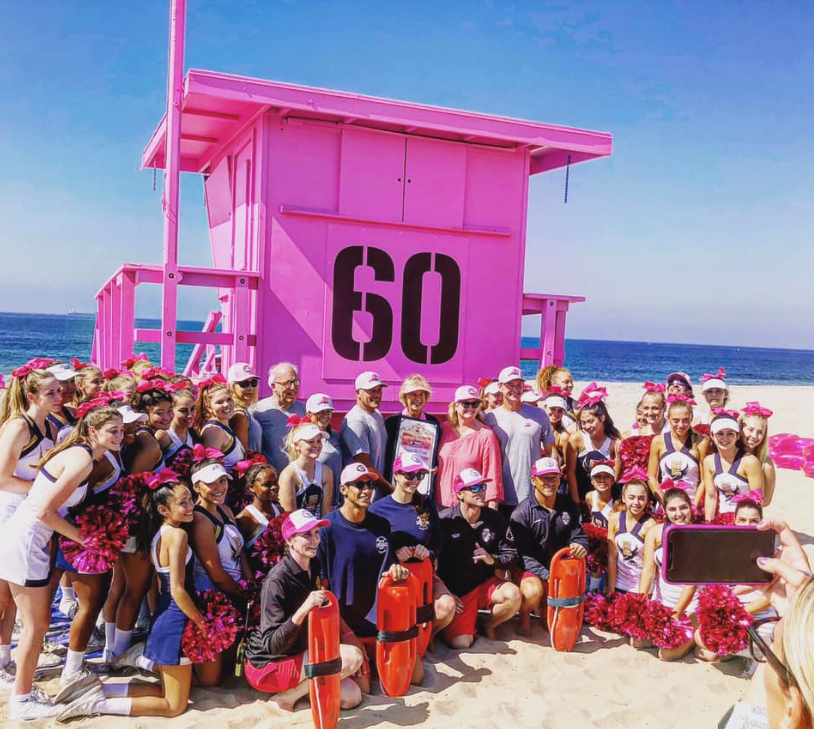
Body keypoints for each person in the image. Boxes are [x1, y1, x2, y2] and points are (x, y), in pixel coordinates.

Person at [0, 403, 123, 720]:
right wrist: (87, 539)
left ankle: (23, 694)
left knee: (35, 625)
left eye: (122, 429)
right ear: (93, 430)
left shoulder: (82, 454)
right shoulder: (82, 459)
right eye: (113, 430)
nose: (120, 435)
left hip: (31, 541)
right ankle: (23, 702)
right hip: (27, 543)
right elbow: (44, 512)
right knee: (36, 626)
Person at [55, 472, 210, 721]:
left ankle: (99, 689)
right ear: (162, 509)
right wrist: (201, 622)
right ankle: (95, 705)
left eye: (191, 499)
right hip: (176, 619)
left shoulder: (158, 533)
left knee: (168, 690)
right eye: (183, 502)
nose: (190, 506)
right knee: (174, 706)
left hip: (165, 615)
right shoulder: (178, 536)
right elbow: (178, 590)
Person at [243, 509, 364, 711]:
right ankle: (287, 698)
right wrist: (303, 610)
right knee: (353, 657)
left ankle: (300, 691)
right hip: (268, 665)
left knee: (352, 697)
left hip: (300, 654)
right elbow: (272, 645)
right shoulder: (277, 580)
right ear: (290, 540)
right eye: (306, 535)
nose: (315, 540)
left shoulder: (314, 565)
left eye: (316, 533)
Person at [316, 463, 419, 689]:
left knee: (416, 676)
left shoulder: (380, 525)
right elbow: (323, 593)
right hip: (347, 625)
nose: (366, 490)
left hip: (381, 624)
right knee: (364, 687)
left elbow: (389, 568)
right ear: (343, 489)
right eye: (359, 485)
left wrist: (397, 571)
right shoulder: (327, 530)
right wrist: (348, 635)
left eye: (370, 484)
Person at [0, 364, 60, 688]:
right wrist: (41, 489)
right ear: (32, 395)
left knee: (15, 593)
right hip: (8, 513)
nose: (58, 396)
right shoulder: (17, 428)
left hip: (33, 515)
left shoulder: (49, 427)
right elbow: (2, 478)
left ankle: (6, 658)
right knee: (2, 596)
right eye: (51, 392)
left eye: (59, 390)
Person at [370, 453, 455, 640]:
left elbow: (439, 539)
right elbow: (373, 548)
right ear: (396, 474)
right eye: (409, 474)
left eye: (420, 475)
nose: (415, 480)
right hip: (394, 577)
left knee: (447, 606)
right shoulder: (377, 509)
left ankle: (427, 637)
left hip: (424, 575)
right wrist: (394, 555)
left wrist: (430, 552)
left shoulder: (426, 504)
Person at [437, 468, 521, 648]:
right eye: (474, 488)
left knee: (513, 596)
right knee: (461, 643)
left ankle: (487, 624)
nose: (482, 491)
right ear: (459, 493)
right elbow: (430, 564)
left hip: (484, 585)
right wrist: (445, 593)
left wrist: (493, 560)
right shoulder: (444, 521)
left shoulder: (495, 518)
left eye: (483, 486)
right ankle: (460, 624)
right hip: (457, 593)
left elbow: (512, 555)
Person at [509, 457, 588, 636]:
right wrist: (549, 576)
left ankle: (546, 611)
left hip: (559, 568)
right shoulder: (521, 513)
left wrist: (582, 546)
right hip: (529, 569)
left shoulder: (568, 505)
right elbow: (524, 557)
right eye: (544, 478)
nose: (550, 483)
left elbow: (579, 535)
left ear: (560, 479)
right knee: (532, 592)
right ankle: (525, 615)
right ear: (533, 480)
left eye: (554, 477)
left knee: (559, 624)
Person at [484, 366, 555, 517]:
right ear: (500, 387)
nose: (515, 389)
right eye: (510, 385)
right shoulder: (490, 418)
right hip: (501, 495)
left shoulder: (539, 415)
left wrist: (550, 480)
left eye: (519, 385)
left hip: (533, 494)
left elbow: (551, 451)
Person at [638, 484, 697, 660]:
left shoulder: (700, 534)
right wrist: (641, 602)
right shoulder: (655, 532)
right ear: (664, 511)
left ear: (690, 507)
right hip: (662, 601)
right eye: (672, 509)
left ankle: (693, 636)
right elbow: (648, 570)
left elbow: (691, 585)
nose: (678, 514)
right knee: (638, 642)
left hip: (689, 605)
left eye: (683, 507)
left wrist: (676, 614)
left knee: (666, 655)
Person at [436, 385, 503, 510]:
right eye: (466, 404)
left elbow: (493, 472)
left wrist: (492, 506)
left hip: (469, 507)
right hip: (440, 503)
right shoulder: (443, 429)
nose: (471, 408)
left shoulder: (486, 435)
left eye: (475, 404)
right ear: (455, 406)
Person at [648, 396, 708, 506]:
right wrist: (664, 503)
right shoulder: (658, 441)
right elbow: (652, 477)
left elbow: (704, 480)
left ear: (691, 419)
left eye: (685, 420)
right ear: (668, 419)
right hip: (666, 503)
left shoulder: (701, 442)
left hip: (691, 503)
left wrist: (694, 506)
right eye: (676, 420)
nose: (680, 425)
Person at [702, 410, 763, 519]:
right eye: (720, 433)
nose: (725, 438)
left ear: (738, 435)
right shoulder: (709, 461)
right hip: (722, 519)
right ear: (712, 435)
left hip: (745, 521)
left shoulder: (749, 461)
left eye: (730, 434)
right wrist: (709, 523)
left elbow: (756, 500)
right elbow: (711, 497)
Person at [339, 371, 391, 499]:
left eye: (379, 390)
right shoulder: (356, 421)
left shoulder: (376, 414)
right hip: (363, 496)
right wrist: (390, 489)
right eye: (372, 391)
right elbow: (364, 465)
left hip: (377, 495)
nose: (377, 395)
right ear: (358, 393)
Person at [383, 374, 441, 488]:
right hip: (397, 484)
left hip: (422, 483)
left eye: (421, 394)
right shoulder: (392, 422)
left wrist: (436, 465)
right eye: (413, 395)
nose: (418, 399)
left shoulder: (434, 422)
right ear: (405, 397)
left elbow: (436, 452)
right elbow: (387, 456)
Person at [565, 391, 622, 505]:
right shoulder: (577, 439)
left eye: (591, 421)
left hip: (605, 499)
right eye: (583, 423)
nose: (587, 426)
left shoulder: (615, 442)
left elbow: (616, 478)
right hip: (580, 495)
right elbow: (570, 471)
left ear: (602, 418)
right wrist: (576, 501)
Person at [606, 469, 655, 595]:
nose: (636, 503)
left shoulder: (650, 525)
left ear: (646, 500)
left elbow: (648, 566)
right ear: (624, 498)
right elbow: (612, 557)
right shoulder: (614, 518)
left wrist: (641, 596)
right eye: (631, 498)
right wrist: (611, 590)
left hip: (641, 588)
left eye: (641, 498)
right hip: (619, 584)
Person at [255, 362, 306, 474]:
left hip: (298, 478)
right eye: (287, 383)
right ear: (273, 386)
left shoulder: (304, 410)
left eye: (295, 382)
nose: (293, 387)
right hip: (272, 479)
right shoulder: (259, 410)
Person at [278, 419, 333, 517]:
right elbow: (289, 516)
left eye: (319, 441)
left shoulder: (326, 471)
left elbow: (326, 512)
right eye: (310, 441)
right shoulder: (289, 475)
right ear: (296, 445)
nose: (316, 445)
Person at [196, 375, 245, 473]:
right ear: (209, 407)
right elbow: (211, 469)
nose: (227, 404)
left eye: (229, 399)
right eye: (219, 402)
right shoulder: (214, 432)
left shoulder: (224, 427)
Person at [304, 393, 342, 504]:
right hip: (314, 502)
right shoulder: (303, 438)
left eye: (328, 411)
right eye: (319, 412)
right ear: (309, 414)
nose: (325, 416)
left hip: (336, 501)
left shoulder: (334, 435)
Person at [236, 463, 283, 549]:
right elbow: (241, 553)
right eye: (266, 484)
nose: (274, 487)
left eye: (275, 483)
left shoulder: (280, 510)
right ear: (251, 488)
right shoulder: (244, 519)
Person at [740, 402, 777, 506]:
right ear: (740, 428)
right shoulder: (729, 455)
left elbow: (766, 501)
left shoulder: (766, 464)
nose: (754, 436)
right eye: (750, 430)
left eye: (760, 432)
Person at [227, 362, 263, 453]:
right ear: (231, 386)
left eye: (253, 383)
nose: (250, 388)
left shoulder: (244, 411)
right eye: (244, 383)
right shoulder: (239, 416)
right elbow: (243, 454)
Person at [162, 386, 196, 465]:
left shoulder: (194, 434)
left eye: (193, 409)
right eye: (183, 411)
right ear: (170, 411)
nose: (190, 415)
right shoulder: (163, 436)